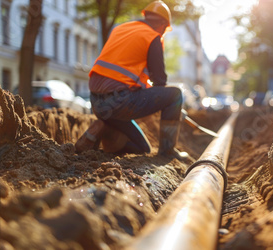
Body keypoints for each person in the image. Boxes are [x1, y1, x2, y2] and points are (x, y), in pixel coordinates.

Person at [75, 1, 190, 161]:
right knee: (175, 94)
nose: (163, 33)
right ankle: (167, 151)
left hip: (97, 103)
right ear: (163, 25)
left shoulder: (120, 29)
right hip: (119, 102)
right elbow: (160, 81)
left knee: (143, 148)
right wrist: (173, 107)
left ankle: (103, 129)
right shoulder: (152, 36)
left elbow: (124, 73)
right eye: (164, 30)